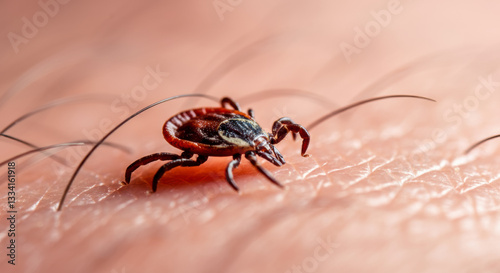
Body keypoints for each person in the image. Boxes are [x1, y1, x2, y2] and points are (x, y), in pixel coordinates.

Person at [2, 1, 500, 272]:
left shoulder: (260, 132)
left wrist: (260, 139)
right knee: (179, 165)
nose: (268, 149)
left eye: (267, 144)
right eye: (262, 150)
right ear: (253, 150)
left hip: (219, 123)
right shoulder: (236, 154)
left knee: (225, 140)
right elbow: (221, 158)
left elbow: (260, 137)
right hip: (207, 133)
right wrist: (241, 167)